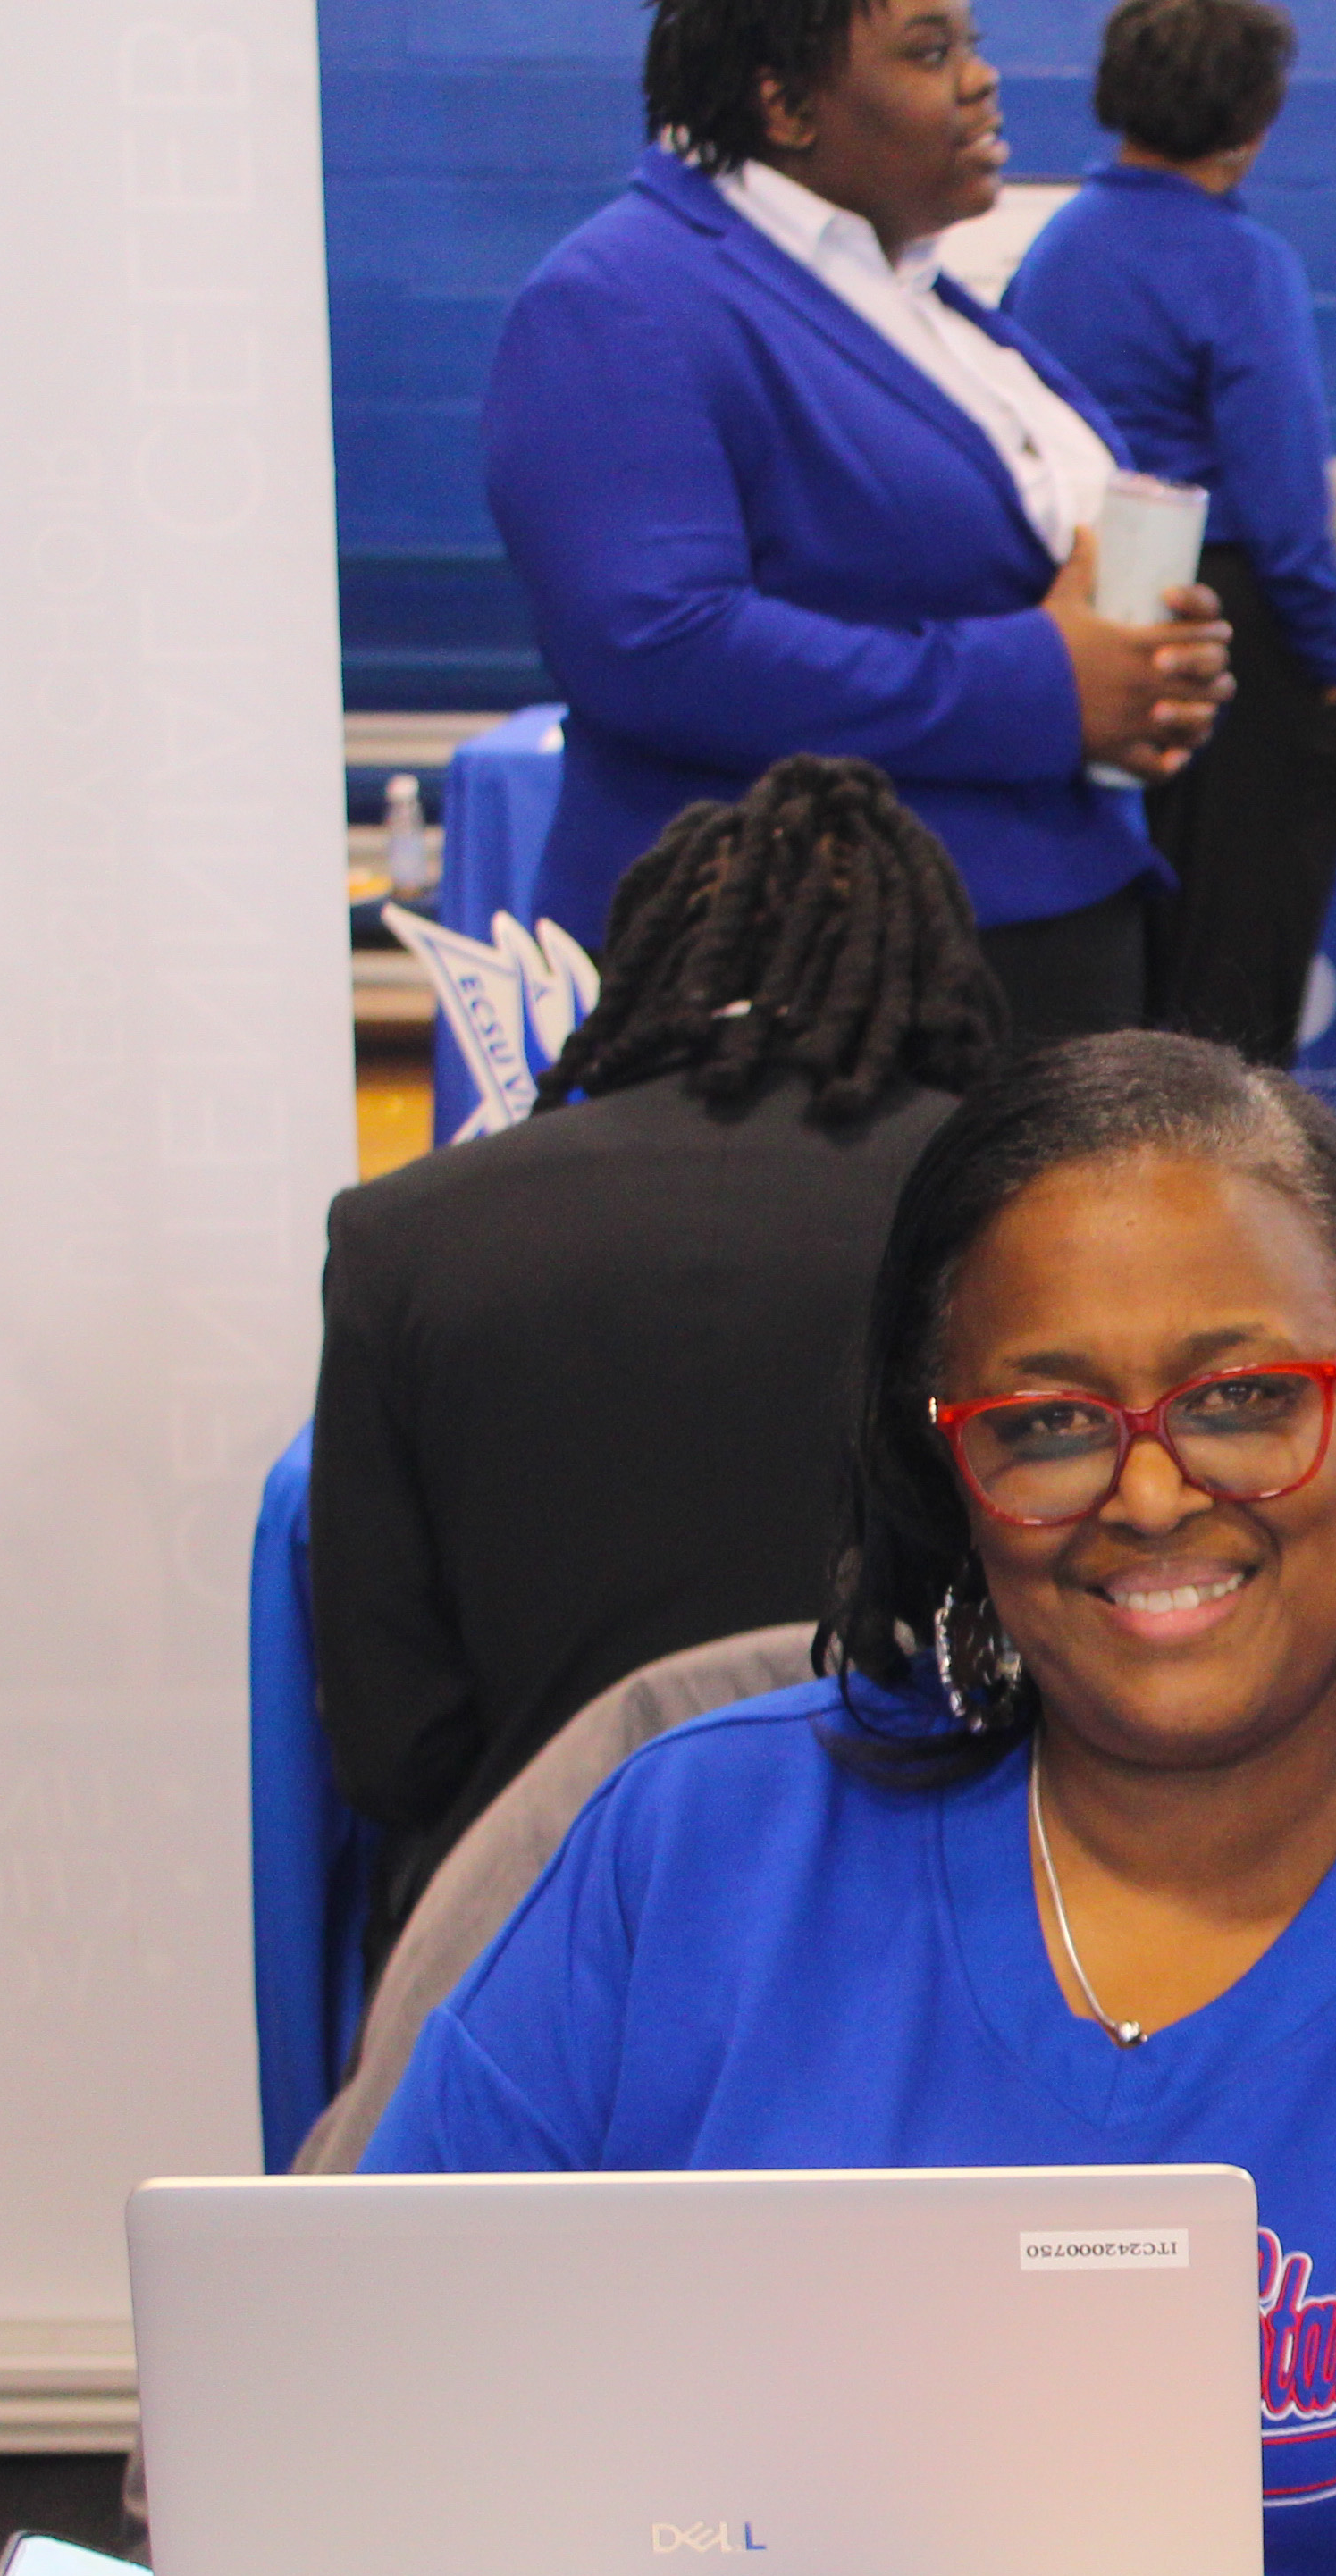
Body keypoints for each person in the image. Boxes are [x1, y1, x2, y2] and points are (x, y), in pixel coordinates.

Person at [364, 1031, 1336, 2576]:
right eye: (1050, 1422)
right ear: (952, 1465)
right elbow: (380, 2439)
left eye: (1242, 1399)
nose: (1151, 1494)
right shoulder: (693, 1858)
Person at [315, 756, 1010, 1937]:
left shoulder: (404, 1235)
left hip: (538, 1938)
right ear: (932, 959)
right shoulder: (1022, 1217)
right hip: (961, 1921)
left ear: (640, 964)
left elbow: (391, 1750)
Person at [485, 0, 1238, 1041]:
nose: (980, 79)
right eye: (931, 53)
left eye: (970, 44)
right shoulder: (619, 297)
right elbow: (656, 647)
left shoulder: (915, 297)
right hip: (804, 978)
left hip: (1038, 928)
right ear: (784, 104)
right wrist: (1044, 685)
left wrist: (1149, 673)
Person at [1007, 0, 1336, 1061]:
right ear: (1255, 117)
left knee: (1116, 978)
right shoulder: (1241, 263)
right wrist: (1329, 665)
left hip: (1085, 619)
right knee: (1234, 989)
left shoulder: (1056, 249)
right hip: (1226, 627)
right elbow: (1285, 501)